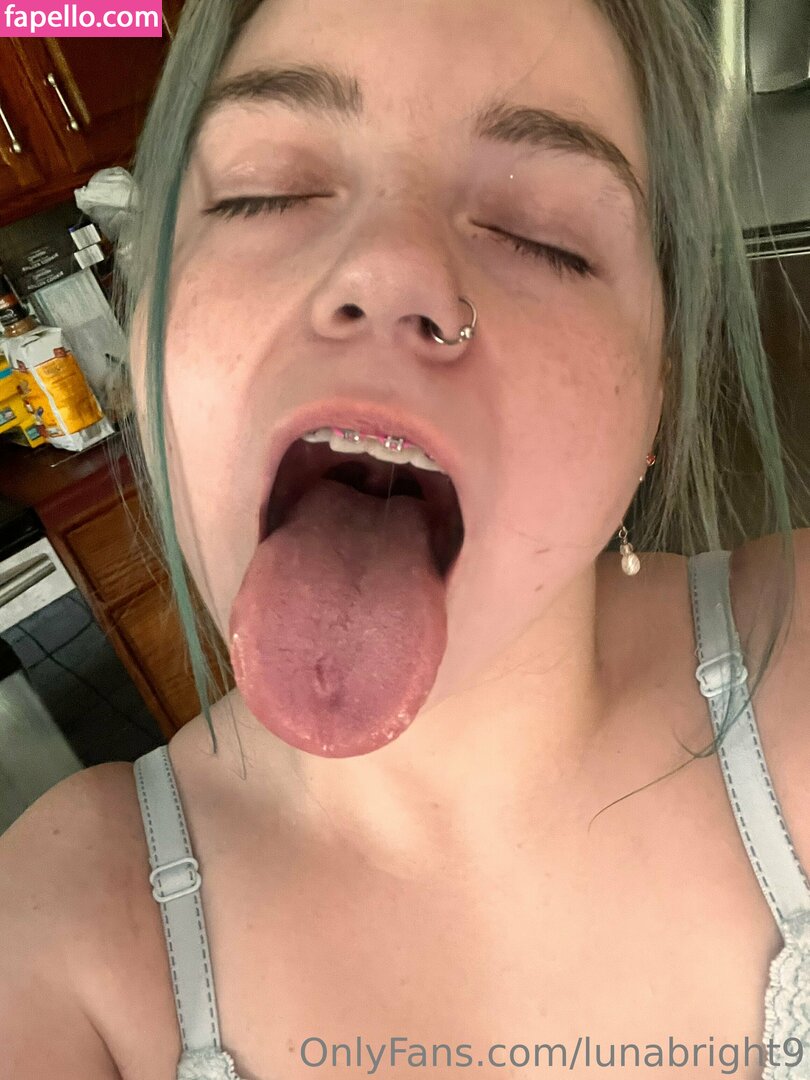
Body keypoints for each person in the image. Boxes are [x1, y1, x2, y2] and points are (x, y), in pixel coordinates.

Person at [2, 0, 809, 1077]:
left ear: (657, 393)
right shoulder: (57, 941)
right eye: (264, 191)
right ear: (141, 321)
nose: (388, 269)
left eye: (544, 234)